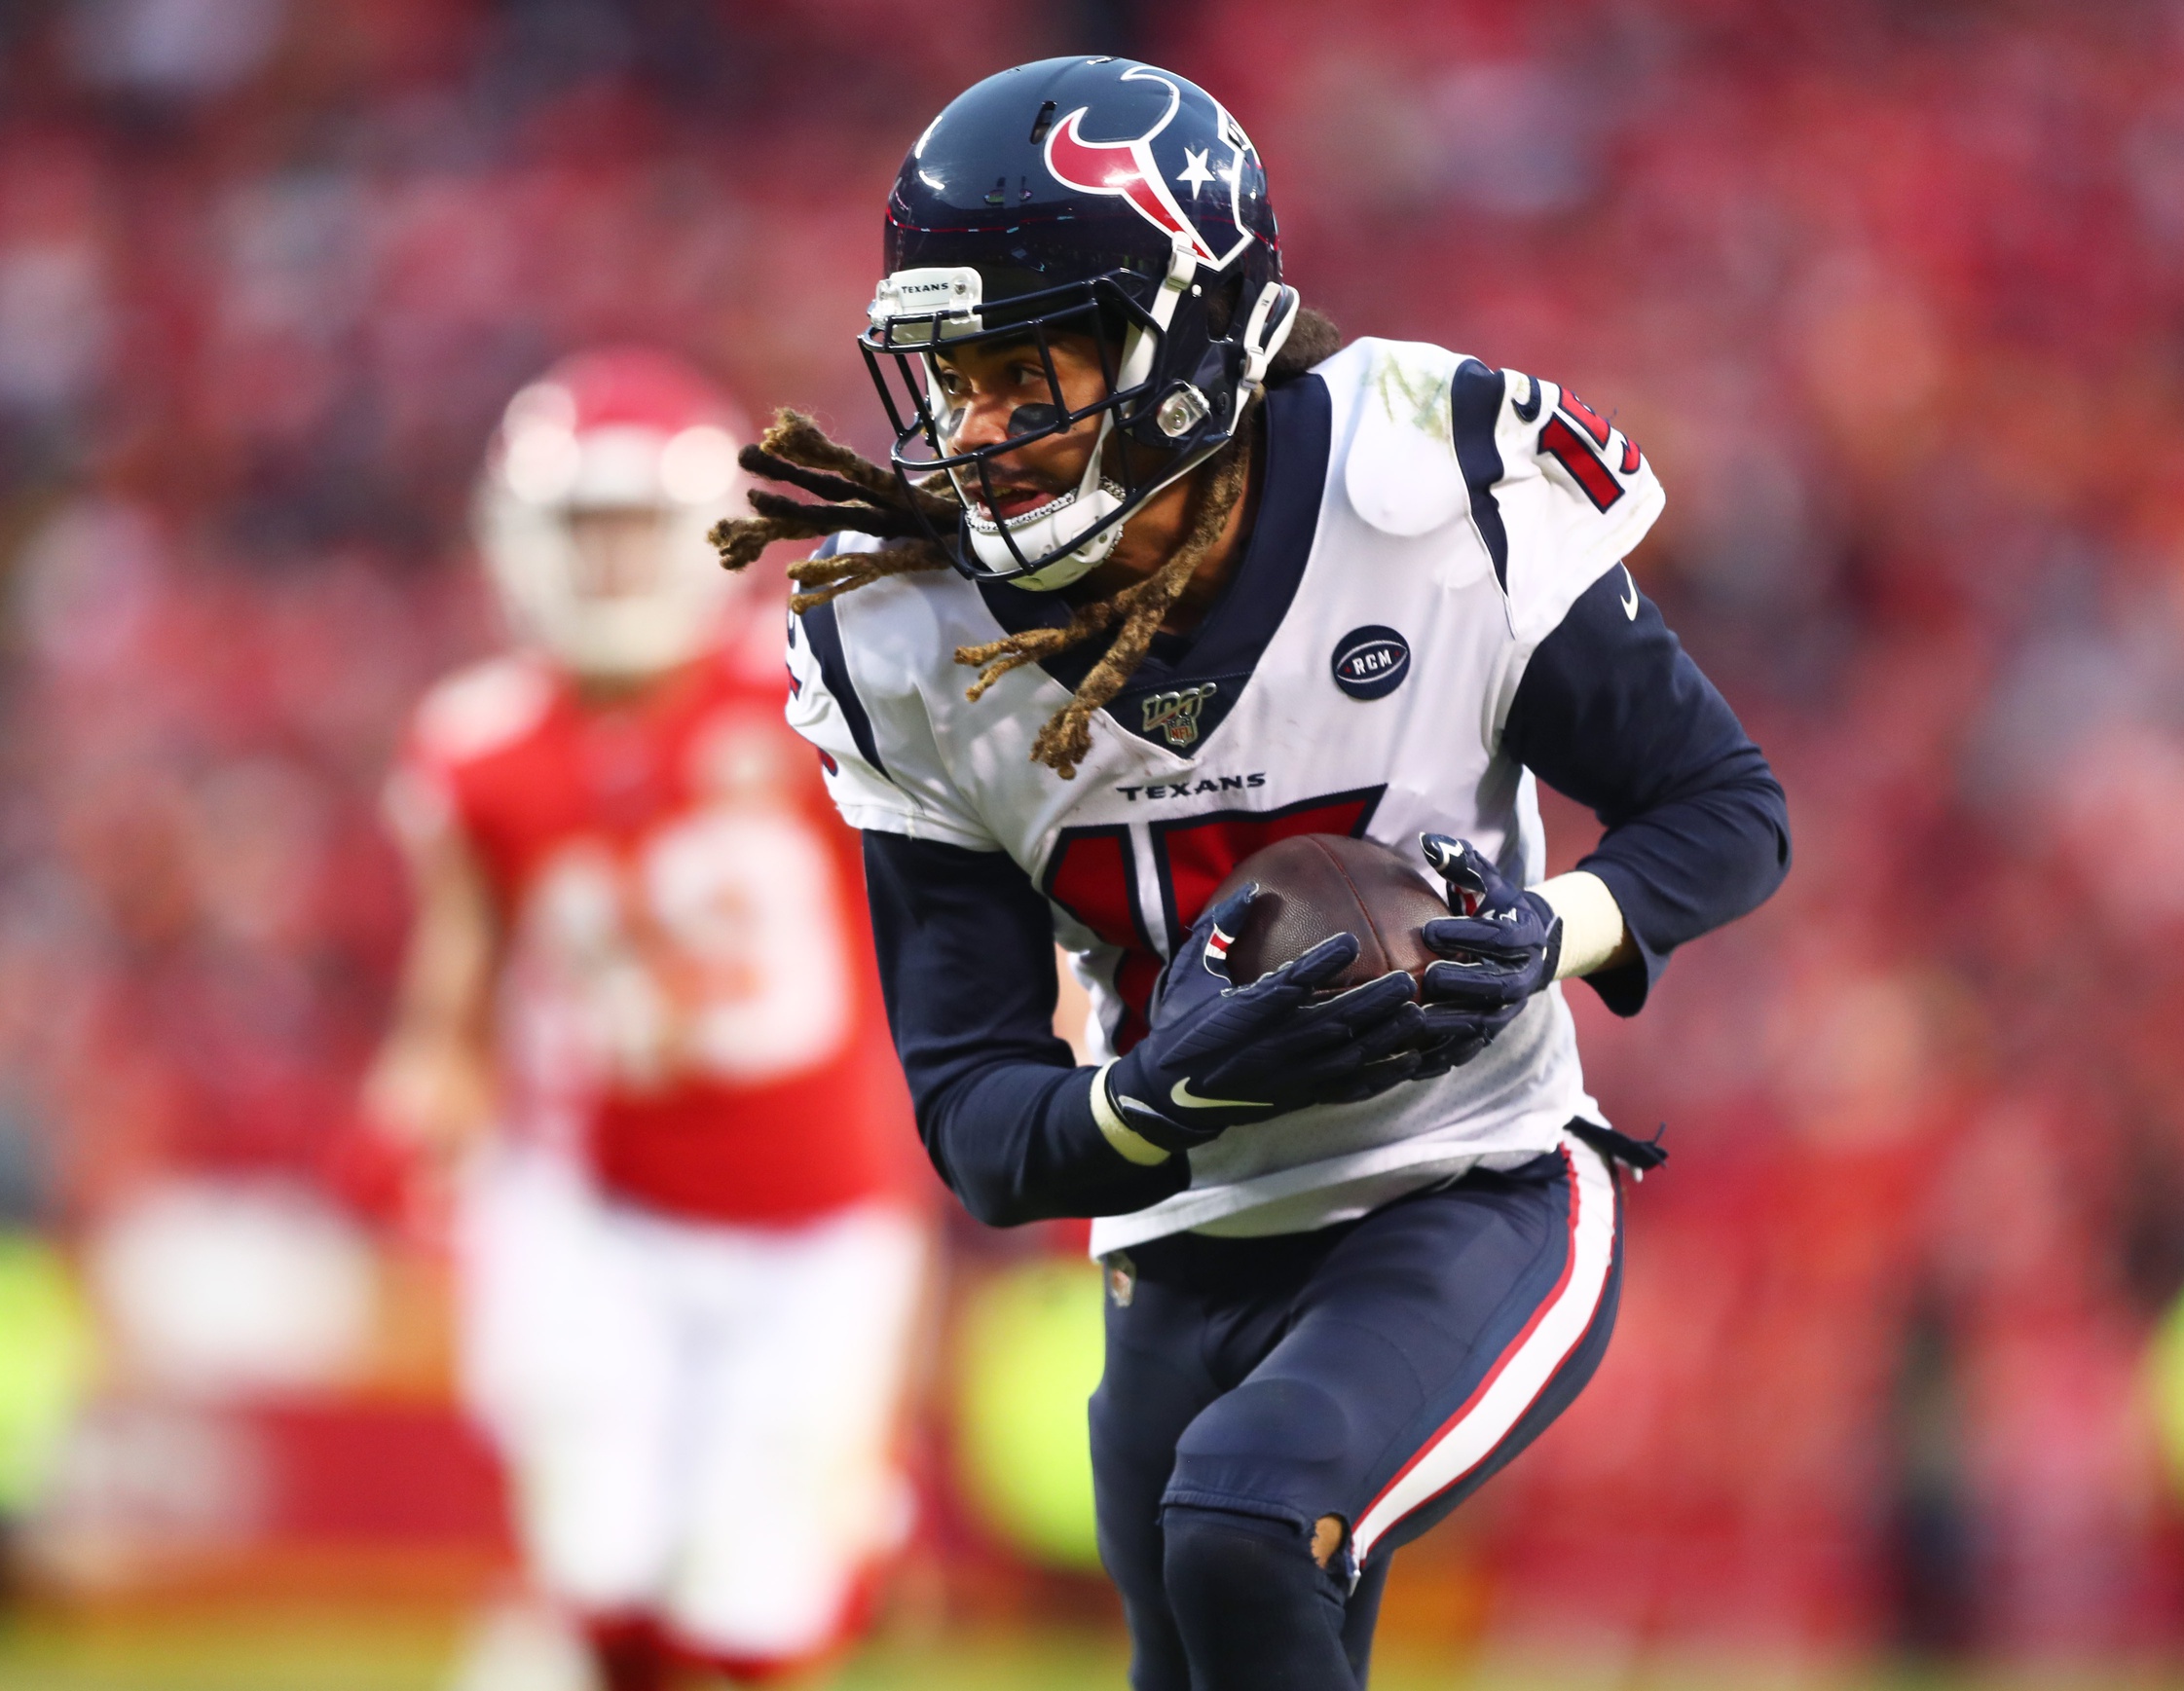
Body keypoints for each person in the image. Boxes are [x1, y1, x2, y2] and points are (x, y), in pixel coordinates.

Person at [717, 57, 1790, 1691]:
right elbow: (982, 1125)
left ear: (1184, 344)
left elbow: (1718, 803)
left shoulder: (1428, 485)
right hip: (1181, 1237)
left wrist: (1548, 928)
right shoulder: (906, 636)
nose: (977, 434)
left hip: (1469, 1179)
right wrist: (1152, 1099)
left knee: (1244, 1516)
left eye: (1026, 371)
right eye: (951, 381)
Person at [365, 349, 925, 1691]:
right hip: (596, 1199)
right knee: (601, 1589)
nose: (611, 566)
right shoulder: (475, 746)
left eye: (635, 531)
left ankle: (858, 1536)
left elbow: (973, 898)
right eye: (581, 531)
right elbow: (459, 976)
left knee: (744, 1626)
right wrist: (426, 1081)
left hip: (816, 1213)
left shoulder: (818, 697)